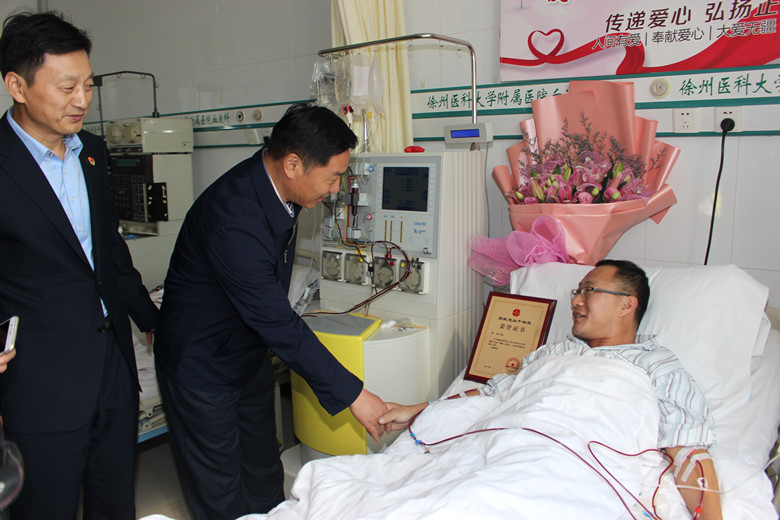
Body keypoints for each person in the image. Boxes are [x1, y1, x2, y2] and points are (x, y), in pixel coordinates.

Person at [154, 102, 390, 520]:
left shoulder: (281, 190)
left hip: (245, 356)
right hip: (201, 365)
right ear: (293, 164)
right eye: (332, 177)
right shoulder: (233, 217)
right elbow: (277, 321)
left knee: (264, 474)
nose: (335, 189)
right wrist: (355, 394)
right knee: (220, 492)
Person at [380, 259, 723, 520]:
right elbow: (492, 395)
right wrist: (415, 410)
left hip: (578, 465)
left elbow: (686, 446)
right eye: (577, 291)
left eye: (589, 290)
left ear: (627, 305)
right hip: (504, 447)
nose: (576, 301)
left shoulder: (655, 363)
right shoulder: (552, 353)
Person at [0, 10, 159, 519]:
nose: (82, 100)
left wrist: (151, 319)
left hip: (112, 367)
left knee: (115, 504)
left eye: (87, 85)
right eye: (67, 87)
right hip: (41, 380)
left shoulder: (92, 151)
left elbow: (107, 250)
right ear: (17, 86)